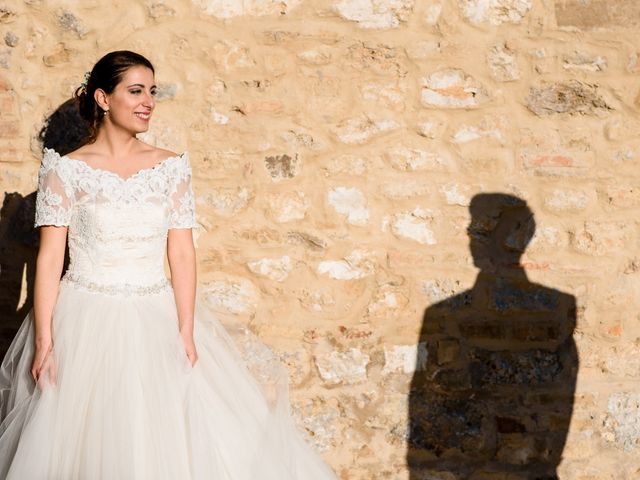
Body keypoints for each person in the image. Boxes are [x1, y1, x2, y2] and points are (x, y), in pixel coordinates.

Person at [0, 50, 337, 479]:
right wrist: (46, 339)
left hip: (155, 316)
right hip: (84, 319)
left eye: (152, 92)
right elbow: (49, 259)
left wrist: (185, 327)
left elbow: (181, 252)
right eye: (136, 91)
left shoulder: (170, 167)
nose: (148, 102)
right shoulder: (66, 171)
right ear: (103, 99)